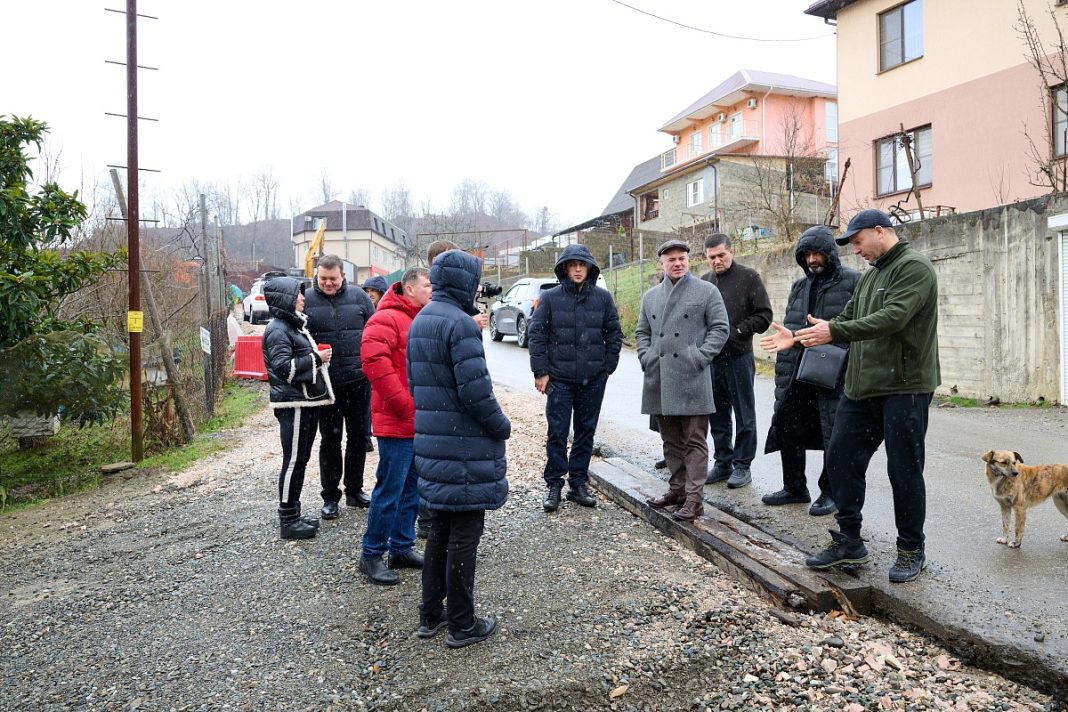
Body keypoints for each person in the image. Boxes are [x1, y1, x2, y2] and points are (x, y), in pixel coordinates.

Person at [783, 209, 939, 583]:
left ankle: (911, 549)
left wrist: (834, 332)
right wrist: (799, 337)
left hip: (905, 388)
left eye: (857, 241)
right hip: (862, 387)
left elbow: (893, 319)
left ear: (880, 231)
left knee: (903, 470)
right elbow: (844, 321)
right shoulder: (871, 278)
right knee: (840, 459)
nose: (855, 250)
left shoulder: (914, 269)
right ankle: (849, 542)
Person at [408, 249, 511, 648]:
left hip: (435, 441)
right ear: (465, 282)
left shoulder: (423, 320)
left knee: (439, 533)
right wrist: (501, 426)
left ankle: (430, 614)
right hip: (463, 447)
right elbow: (476, 392)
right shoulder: (461, 324)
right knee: (464, 535)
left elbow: (419, 384)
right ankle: (463, 625)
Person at [758, 225, 860, 516]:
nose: (813, 259)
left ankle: (830, 492)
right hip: (796, 369)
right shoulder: (799, 286)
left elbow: (859, 327)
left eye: (818, 253)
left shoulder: (854, 281)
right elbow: (791, 326)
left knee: (833, 433)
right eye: (807, 255)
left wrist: (843, 356)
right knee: (789, 426)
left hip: (835, 371)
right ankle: (794, 487)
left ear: (830, 253)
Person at [636, 240, 729, 522]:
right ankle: (677, 490)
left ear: (688, 260)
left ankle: (694, 499)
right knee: (670, 441)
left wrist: (699, 357)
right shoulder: (651, 296)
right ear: (661, 264)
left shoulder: (706, 290)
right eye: (671, 259)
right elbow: (642, 331)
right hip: (660, 376)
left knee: (695, 441)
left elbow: (720, 328)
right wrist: (647, 357)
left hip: (692, 377)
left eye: (682, 258)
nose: (677, 263)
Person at [528, 244, 623, 512]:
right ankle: (554, 483)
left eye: (583, 264)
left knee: (585, 432)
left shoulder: (603, 298)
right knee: (557, 432)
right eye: (573, 264)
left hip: (593, 378)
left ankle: (578, 483)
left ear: (590, 268)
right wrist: (541, 372)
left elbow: (614, 334)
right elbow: (537, 335)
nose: (578, 269)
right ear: (565, 268)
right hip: (559, 379)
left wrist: (607, 368)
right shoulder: (550, 297)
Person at [358, 268, 432, 585]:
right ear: (410, 288)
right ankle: (371, 554)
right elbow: (374, 363)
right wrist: (405, 405)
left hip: (416, 421)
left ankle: (401, 547)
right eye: (428, 285)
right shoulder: (384, 318)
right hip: (396, 420)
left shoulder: (420, 318)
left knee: (411, 489)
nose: (432, 290)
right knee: (389, 490)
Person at [261, 276, 335, 540]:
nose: (304, 299)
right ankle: (288, 520)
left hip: (303, 403)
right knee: (293, 461)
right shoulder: (278, 329)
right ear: (286, 298)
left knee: (300, 460)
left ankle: (294, 514)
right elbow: (283, 369)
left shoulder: (290, 326)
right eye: (298, 294)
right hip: (293, 405)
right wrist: (317, 358)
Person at [303, 255, 375, 519]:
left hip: (358, 381)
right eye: (323, 279)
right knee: (330, 439)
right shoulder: (307, 299)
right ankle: (330, 496)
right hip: (327, 385)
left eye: (332, 279)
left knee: (358, 438)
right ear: (317, 276)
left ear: (343, 276)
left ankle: (354, 491)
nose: (328, 283)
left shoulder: (359, 298)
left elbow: (375, 331)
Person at [701, 234, 773, 489]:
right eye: (712, 257)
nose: (717, 261)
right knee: (717, 414)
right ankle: (723, 462)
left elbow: (764, 315)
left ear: (731, 252)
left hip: (739, 357)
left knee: (744, 413)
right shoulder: (705, 282)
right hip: (713, 360)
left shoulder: (748, 277)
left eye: (721, 255)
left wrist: (738, 331)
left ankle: (743, 465)